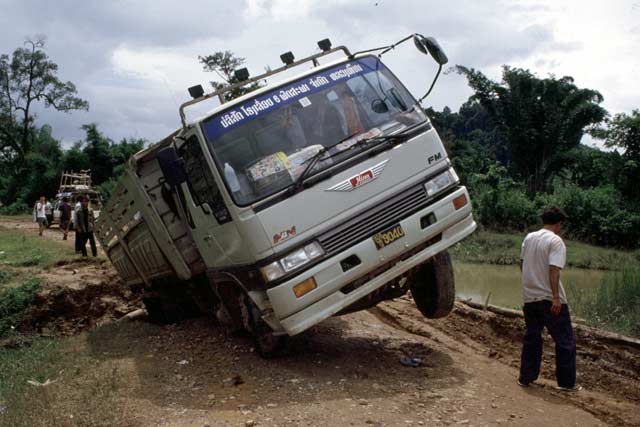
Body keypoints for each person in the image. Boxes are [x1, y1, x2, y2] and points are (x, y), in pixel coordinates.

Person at [518, 207, 580, 391]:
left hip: (530, 297)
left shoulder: (529, 238)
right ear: (559, 224)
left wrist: (530, 284)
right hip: (548, 298)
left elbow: (522, 264)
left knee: (532, 337)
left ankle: (525, 378)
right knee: (565, 341)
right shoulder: (556, 241)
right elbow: (554, 270)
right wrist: (555, 298)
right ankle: (567, 383)